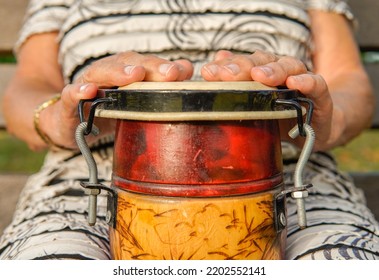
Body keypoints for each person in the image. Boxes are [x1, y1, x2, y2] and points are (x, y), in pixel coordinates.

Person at [1, 0, 378, 260]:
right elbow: (29, 84)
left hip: (292, 177)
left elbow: (347, 79)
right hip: (87, 182)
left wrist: (324, 115)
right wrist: (64, 116)